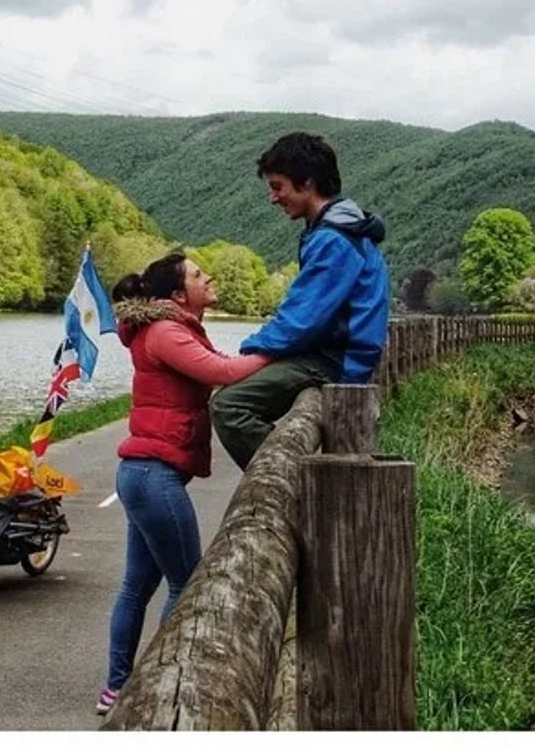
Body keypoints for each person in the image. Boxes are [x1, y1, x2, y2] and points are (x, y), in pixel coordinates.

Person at [97, 251, 271, 715]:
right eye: (197, 274)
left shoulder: (173, 329)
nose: (207, 276)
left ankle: (116, 688)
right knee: (187, 585)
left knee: (137, 586)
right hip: (154, 477)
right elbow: (222, 372)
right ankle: (164, 685)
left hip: (142, 473)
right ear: (178, 295)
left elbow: (221, 363)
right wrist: (278, 348)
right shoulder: (168, 332)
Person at [210, 132, 389, 471]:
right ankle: (297, 477)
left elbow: (301, 319)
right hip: (341, 355)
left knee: (229, 406)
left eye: (278, 186)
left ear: (307, 183)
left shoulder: (332, 238)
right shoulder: (341, 227)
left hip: (333, 360)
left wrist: (248, 352)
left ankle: (293, 485)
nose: (273, 197)